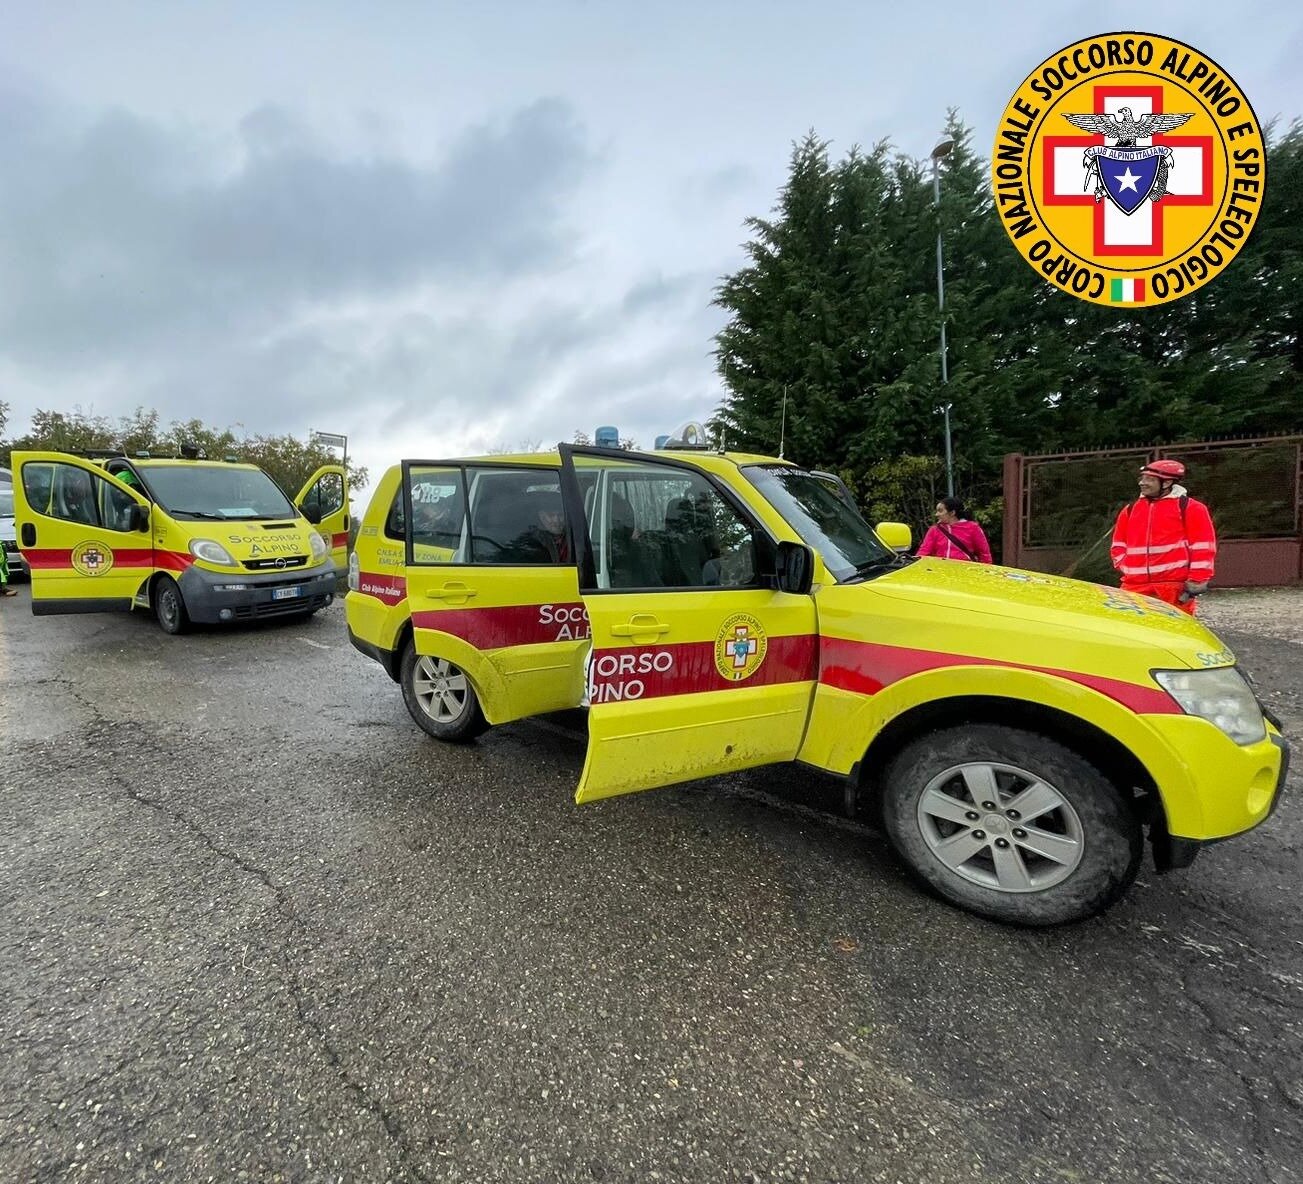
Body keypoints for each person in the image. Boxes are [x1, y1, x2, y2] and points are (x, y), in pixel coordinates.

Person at [1110, 458, 1216, 614]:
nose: (1142, 483)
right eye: (1142, 478)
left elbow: (1203, 547)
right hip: (1134, 586)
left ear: (1167, 483)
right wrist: (1126, 567)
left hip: (1173, 588)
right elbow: (1118, 544)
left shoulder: (1191, 508)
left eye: (1150, 479)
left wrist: (1197, 579)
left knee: (1174, 629)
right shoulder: (1130, 509)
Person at [916, 497, 993, 563]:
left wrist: (985, 571)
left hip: (965, 571)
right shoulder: (934, 529)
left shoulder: (973, 528)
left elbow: (984, 554)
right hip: (940, 571)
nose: (936, 514)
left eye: (940, 511)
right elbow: (924, 551)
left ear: (952, 512)